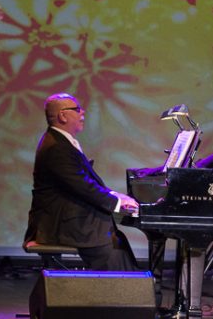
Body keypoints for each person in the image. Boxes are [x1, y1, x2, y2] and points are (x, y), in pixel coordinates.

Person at [24, 92, 141, 272]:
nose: (82, 112)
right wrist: (117, 203)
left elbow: (83, 183)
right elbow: (83, 187)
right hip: (57, 225)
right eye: (77, 109)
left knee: (115, 238)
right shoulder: (56, 147)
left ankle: (132, 283)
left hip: (64, 220)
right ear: (63, 116)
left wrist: (115, 195)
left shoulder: (61, 141)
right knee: (108, 241)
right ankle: (121, 285)